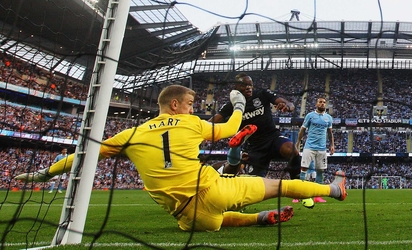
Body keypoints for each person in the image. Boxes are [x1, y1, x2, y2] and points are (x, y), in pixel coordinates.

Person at [15, 85, 347, 231]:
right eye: (189, 104)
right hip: (213, 188)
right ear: (175, 105)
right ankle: (333, 190)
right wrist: (239, 103)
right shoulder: (189, 122)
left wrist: (44, 175)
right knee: (280, 186)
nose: (192, 109)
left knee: (213, 221)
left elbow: (85, 154)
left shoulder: (130, 135)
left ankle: (257, 219)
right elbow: (231, 125)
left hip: (186, 214)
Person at [212, 74, 301, 178]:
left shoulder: (261, 94)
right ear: (235, 87)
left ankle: (296, 180)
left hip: (272, 138)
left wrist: (287, 106)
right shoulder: (231, 106)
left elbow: (289, 104)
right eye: (244, 85)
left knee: (291, 150)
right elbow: (213, 121)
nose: (248, 87)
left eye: (250, 85)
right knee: (255, 183)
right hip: (254, 148)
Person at [295, 97, 334, 207]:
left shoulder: (328, 118)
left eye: (324, 102)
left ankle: (317, 196)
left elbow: (330, 133)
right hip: (309, 147)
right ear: (316, 104)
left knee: (320, 171)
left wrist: (332, 145)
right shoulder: (310, 116)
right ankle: (300, 194)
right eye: (320, 102)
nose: (322, 104)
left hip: (322, 148)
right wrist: (297, 143)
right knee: (303, 169)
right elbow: (302, 130)